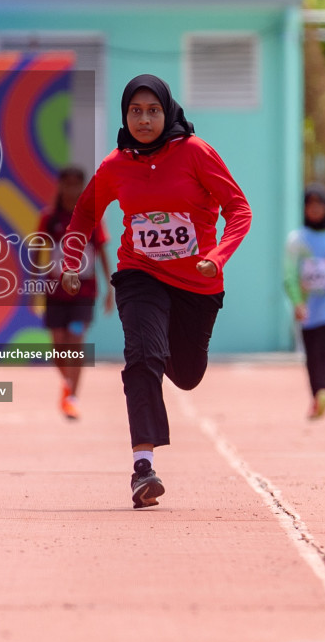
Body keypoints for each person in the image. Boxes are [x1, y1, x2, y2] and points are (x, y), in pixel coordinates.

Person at [60, 75, 252, 509]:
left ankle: (159, 346)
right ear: (125, 115)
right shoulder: (114, 166)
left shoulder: (195, 154)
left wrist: (218, 256)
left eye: (153, 111)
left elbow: (239, 208)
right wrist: (72, 261)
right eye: (135, 111)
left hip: (197, 283)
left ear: (167, 113)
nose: (144, 119)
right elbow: (85, 213)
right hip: (139, 274)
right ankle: (143, 466)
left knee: (186, 374)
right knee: (142, 356)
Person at [38, 166, 112, 420]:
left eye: (76, 184)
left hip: (84, 293)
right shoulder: (50, 218)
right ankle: (67, 381)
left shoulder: (91, 218)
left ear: (82, 187)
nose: (71, 189)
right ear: (60, 186)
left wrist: (109, 288)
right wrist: (35, 284)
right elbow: (39, 251)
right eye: (66, 184)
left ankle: (73, 397)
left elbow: (102, 252)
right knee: (59, 347)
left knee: (75, 341)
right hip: (55, 292)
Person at [284, 184, 325, 420]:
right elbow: (289, 276)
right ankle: (316, 397)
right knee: (311, 354)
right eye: (310, 205)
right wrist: (297, 302)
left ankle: (323, 391)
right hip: (307, 307)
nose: (315, 210)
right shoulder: (297, 240)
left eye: (319, 205)